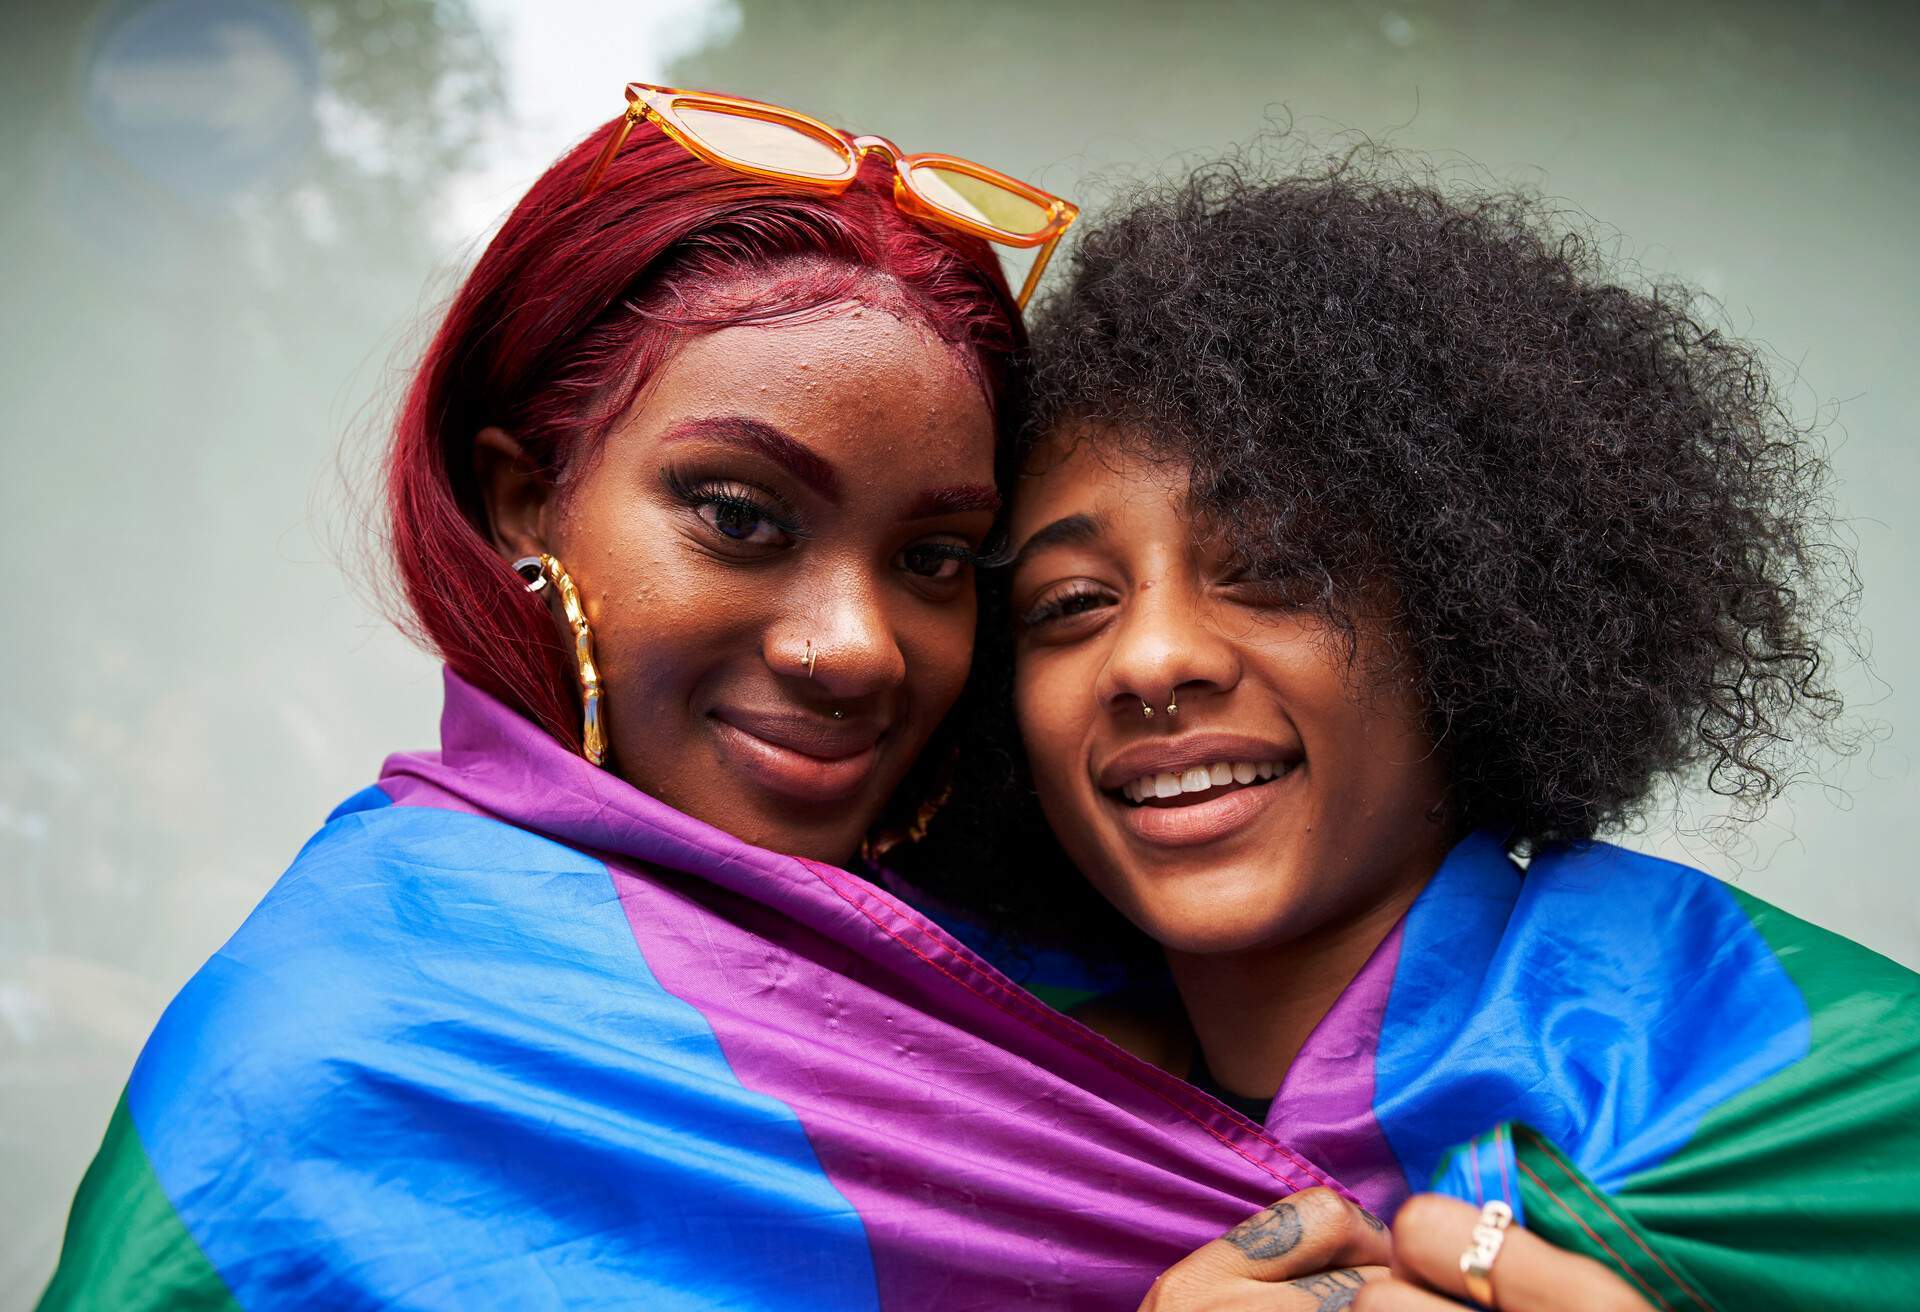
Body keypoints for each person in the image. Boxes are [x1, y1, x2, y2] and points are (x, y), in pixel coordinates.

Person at [39, 89, 1377, 1311]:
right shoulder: (332, 1062)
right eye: (741, 517)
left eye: (931, 561)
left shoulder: (1108, 943)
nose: (855, 648)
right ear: (525, 499)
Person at [905, 154, 1920, 1308]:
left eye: (1276, 572)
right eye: (1071, 605)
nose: (1149, 660)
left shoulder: (1798, 1086)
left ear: (1465, 616)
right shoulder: (963, 1100)